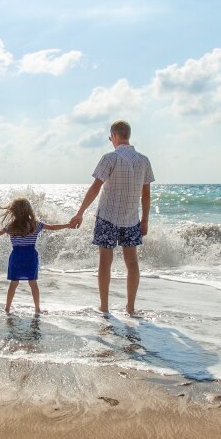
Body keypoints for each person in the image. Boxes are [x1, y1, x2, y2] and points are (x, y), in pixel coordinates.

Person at [68, 120, 155, 315]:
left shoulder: (110, 158)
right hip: (132, 219)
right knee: (132, 263)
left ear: (114, 136)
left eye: (110, 138)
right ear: (128, 135)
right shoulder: (144, 160)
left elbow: (95, 188)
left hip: (107, 216)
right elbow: (146, 195)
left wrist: (80, 212)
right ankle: (130, 308)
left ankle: (105, 307)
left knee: (105, 262)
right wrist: (146, 220)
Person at [0, 197, 71, 313]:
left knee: (13, 283)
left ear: (13, 211)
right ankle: (37, 309)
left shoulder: (11, 226)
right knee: (33, 283)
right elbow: (52, 227)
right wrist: (68, 225)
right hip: (30, 257)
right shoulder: (35, 224)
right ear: (29, 210)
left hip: (16, 257)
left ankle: (7, 308)